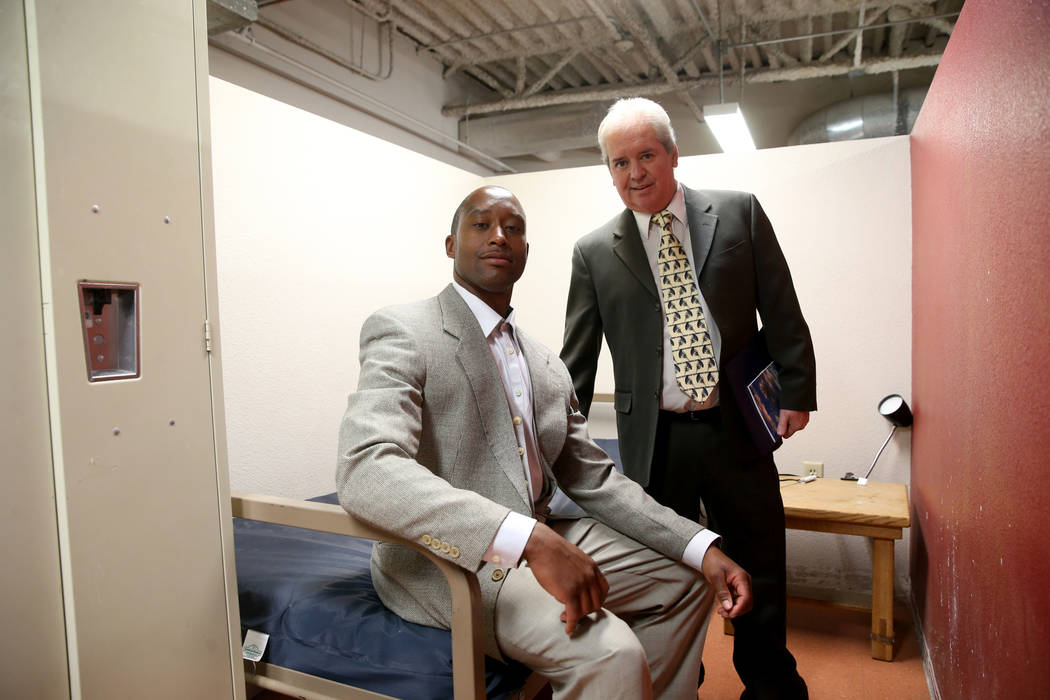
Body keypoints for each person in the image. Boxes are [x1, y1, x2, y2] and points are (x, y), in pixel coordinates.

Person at [337, 185, 753, 699]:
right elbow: (366, 469)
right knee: (612, 653)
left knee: (685, 579)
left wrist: (701, 545)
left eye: (513, 228)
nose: (499, 236)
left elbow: (593, 477)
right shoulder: (404, 330)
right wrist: (526, 539)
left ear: (526, 253)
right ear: (450, 244)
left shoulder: (544, 363)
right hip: (452, 557)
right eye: (480, 224)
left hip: (542, 531)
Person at [560, 98, 817, 700]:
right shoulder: (594, 251)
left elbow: (780, 307)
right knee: (665, 567)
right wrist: (557, 438)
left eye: (646, 155)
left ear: (673, 154)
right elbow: (578, 357)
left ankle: (772, 684)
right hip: (656, 440)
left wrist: (797, 388)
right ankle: (679, 680)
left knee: (759, 560)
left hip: (736, 426)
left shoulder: (737, 213)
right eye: (619, 163)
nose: (635, 173)